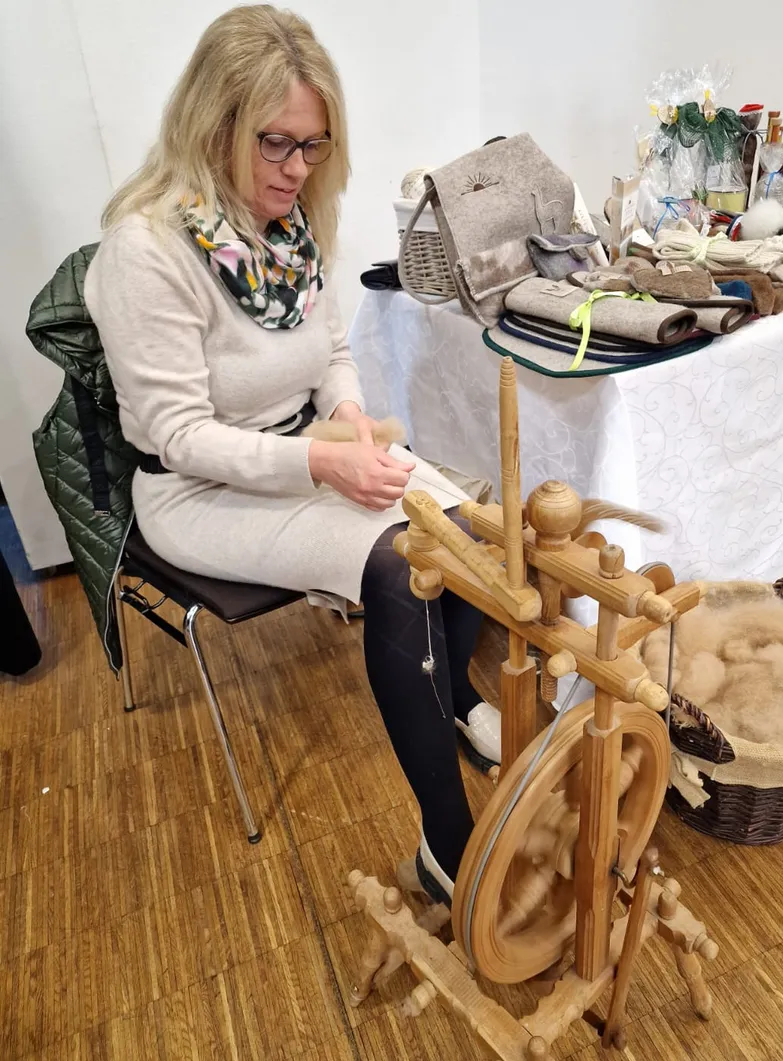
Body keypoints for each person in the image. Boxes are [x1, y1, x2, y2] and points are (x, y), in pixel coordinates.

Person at [85, 4, 500, 903]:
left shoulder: (290, 228)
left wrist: (348, 423)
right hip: (195, 491)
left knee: (466, 529)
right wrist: (322, 464)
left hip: (302, 451)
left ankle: (458, 699)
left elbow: (334, 355)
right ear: (214, 123)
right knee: (401, 566)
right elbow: (176, 436)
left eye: (313, 146)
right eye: (277, 144)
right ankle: (448, 845)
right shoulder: (146, 250)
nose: (298, 168)